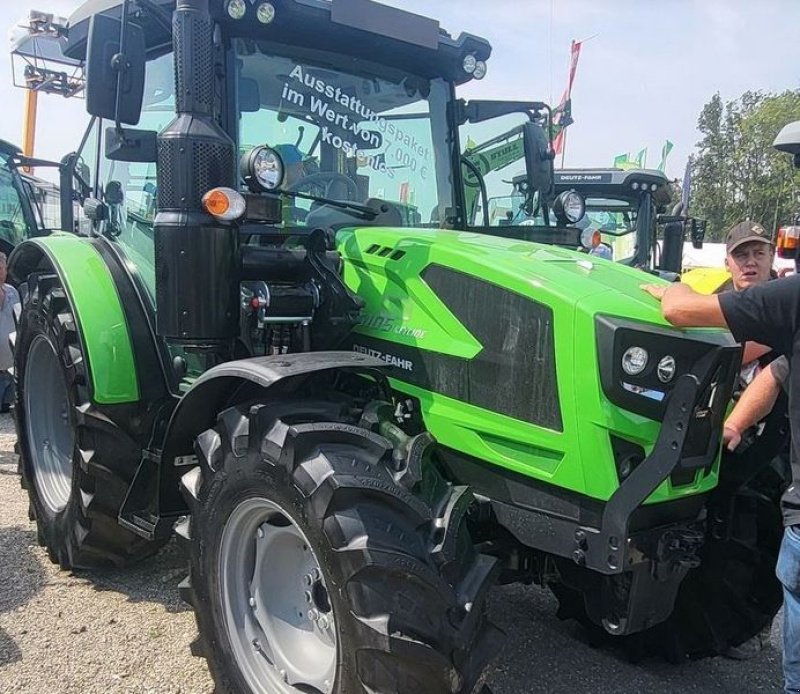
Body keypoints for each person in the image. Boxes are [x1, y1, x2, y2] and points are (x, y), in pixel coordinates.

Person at [641, 274, 800, 693]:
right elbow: (779, 372)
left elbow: (678, 311)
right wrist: (733, 423)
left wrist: (674, 287)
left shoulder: (790, 296)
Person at [0, 252, 20, 413]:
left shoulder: (13, 292)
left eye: (2, 268)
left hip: (12, 369)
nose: (0, 272)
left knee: (12, 415)